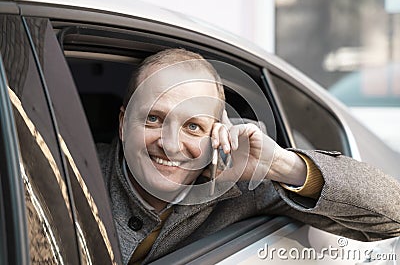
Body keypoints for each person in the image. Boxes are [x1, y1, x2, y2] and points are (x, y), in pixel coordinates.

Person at [97, 48, 400, 264]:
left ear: (217, 134)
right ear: (123, 124)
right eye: (153, 119)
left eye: (193, 126)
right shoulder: (73, 167)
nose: (171, 144)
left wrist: (281, 164)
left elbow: (392, 217)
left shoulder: (242, 188)